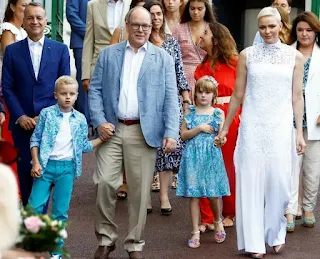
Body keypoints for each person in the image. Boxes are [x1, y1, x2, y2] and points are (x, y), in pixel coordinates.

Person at [88, 6, 179, 259]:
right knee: (105, 182)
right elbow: (94, 90)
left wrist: (171, 131)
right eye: (136, 25)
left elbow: (172, 99)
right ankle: (106, 239)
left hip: (144, 132)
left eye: (146, 26)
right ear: (127, 25)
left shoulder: (163, 59)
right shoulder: (108, 55)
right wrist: (99, 120)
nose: (141, 30)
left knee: (139, 192)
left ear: (152, 28)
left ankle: (135, 243)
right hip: (112, 129)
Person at [215, 7, 305, 258]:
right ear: (258, 27)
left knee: (279, 184)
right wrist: (224, 128)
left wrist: (299, 132)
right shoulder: (247, 55)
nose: (267, 31)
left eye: (271, 26)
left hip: (280, 127)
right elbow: (237, 95)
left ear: (280, 26)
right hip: (252, 126)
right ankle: (254, 242)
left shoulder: (294, 57)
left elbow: (297, 97)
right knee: (250, 184)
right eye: (262, 27)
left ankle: (275, 233)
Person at [2, 2, 70, 207]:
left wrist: (46, 115)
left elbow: (64, 85)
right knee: (24, 172)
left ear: (46, 21)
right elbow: (7, 87)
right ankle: (30, 221)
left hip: (48, 123)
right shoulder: (13, 51)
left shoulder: (60, 50)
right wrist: (20, 116)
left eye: (39, 18)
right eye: (30, 17)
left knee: (45, 173)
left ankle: (37, 223)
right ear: (23, 21)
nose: (35, 22)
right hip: (21, 124)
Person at [27, 76, 103, 259]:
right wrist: (36, 161)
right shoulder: (46, 114)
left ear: (77, 96)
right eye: (63, 94)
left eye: (71, 94)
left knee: (60, 213)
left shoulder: (80, 119)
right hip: (45, 167)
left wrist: (102, 140)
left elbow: (83, 145)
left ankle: (55, 252)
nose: (67, 97)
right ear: (55, 95)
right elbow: (35, 139)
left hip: (67, 168)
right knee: (34, 207)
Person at [143, 0, 190, 215]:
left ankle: (163, 196)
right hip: (147, 102)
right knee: (148, 148)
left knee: (169, 149)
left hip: (171, 101)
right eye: (151, 14)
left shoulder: (171, 43)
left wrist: (186, 98)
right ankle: (145, 197)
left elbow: (179, 71)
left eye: (159, 14)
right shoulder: (141, 43)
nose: (156, 18)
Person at [194, 22, 239, 229]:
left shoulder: (235, 62)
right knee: (203, 167)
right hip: (206, 117)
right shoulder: (200, 68)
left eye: (205, 33)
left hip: (232, 117)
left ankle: (230, 212)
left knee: (228, 167)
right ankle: (207, 218)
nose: (201, 36)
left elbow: (244, 93)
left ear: (217, 38)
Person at [176, 76, 229, 248]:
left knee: (213, 193)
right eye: (200, 92)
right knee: (194, 195)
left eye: (207, 92)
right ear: (195, 94)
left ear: (214, 95)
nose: (203, 96)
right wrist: (199, 128)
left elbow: (221, 135)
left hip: (211, 156)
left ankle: (217, 221)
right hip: (192, 156)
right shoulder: (190, 112)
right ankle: (195, 231)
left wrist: (221, 140)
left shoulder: (217, 113)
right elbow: (183, 135)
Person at [285, 11, 320, 232]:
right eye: (300, 30)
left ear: (316, 32)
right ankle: (290, 210)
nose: (304, 34)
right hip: (289, 119)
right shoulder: (286, 54)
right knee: (289, 167)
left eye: (309, 30)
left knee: (312, 169)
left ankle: (308, 208)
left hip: (316, 121)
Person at [0, 0, 30, 197]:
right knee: (10, 140)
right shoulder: (8, 30)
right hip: (8, 91)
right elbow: (14, 62)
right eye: (23, 4)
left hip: (22, 91)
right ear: (12, 6)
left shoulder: (24, 31)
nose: (27, 8)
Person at [81, 0, 132, 93]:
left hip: (127, 61)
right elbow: (89, 39)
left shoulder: (131, 3)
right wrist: (85, 75)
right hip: (99, 63)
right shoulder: (93, 5)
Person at [172, 0, 215, 103]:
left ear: (206, 9)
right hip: (183, 78)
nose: (196, 12)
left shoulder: (212, 28)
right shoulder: (178, 29)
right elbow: (172, 56)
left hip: (207, 76)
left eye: (200, 9)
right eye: (192, 8)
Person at [66, 0, 90, 123]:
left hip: (101, 43)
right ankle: (83, 121)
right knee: (84, 79)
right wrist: (89, 33)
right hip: (81, 41)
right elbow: (71, 14)